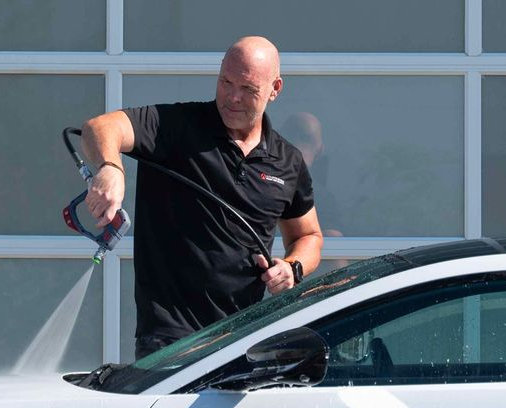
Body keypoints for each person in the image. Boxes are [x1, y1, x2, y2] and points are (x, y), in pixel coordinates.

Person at [77, 36, 325, 358]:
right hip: (170, 340)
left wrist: (292, 268)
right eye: (225, 82)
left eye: (248, 89)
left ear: (275, 89)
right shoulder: (175, 127)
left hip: (243, 341)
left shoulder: (287, 161)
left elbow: (309, 236)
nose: (232, 97)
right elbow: (100, 127)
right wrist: (111, 168)